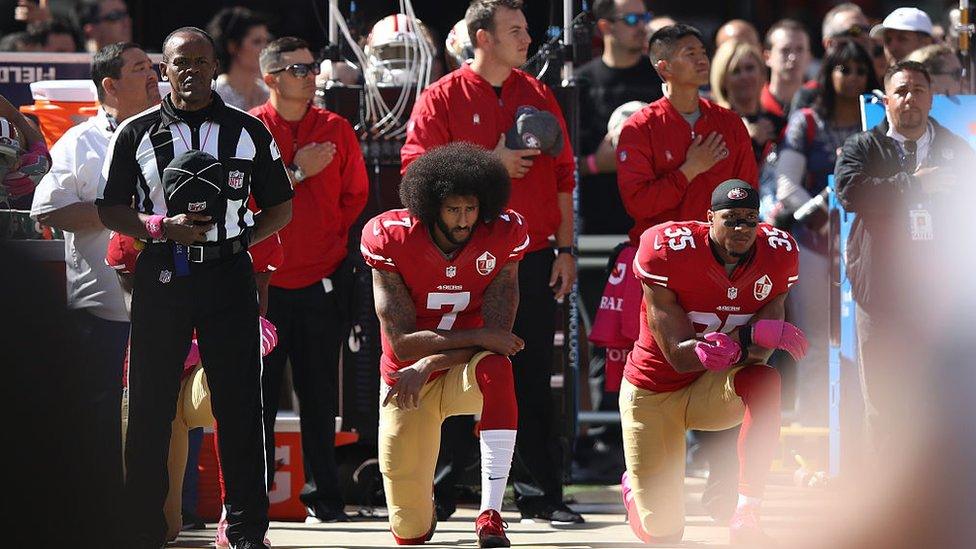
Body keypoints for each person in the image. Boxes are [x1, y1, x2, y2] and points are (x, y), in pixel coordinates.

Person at [96, 27, 293, 549]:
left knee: (240, 403)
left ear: (213, 66)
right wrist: (161, 228)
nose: (190, 71)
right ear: (166, 68)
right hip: (162, 271)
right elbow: (110, 208)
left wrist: (241, 238)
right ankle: (142, 525)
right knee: (149, 404)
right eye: (180, 62)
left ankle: (248, 527)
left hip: (227, 272)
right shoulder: (135, 132)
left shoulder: (249, 132)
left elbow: (281, 204)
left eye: (200, 61)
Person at [401, 0, 581, 524]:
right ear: (483, 38)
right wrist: (488, 163)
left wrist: (566, 249)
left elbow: (565, 177)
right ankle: (439, 494)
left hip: (531, 256)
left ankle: (541, 495)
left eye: (525, 30)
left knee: (528, 375)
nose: (528, 39)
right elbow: (415, 168)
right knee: (451, 368)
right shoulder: (442, 96)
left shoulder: (538, 92)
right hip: (460, 259)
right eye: (515, 31)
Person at [619, 179, 807, 545]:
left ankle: (748, 510)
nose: (741, 229)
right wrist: (750, 336)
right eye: (731, 219)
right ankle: (632, 492)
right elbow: (679, 357)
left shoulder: (778, 253)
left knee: (765, 380)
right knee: (663, 532)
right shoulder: (667, 250)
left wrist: (746, 342)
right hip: (655, 389)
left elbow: (758, 356)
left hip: (714, 386)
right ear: (709, 218)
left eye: (750, 220)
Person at [362, 142, 528, 547]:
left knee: (497, 367)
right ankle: (424, 510)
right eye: (453, 209)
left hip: (457, 370)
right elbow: (402, 346)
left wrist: (429, 363)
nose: (464, 219)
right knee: (409, 531)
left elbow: (499, 341)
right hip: (405, 382)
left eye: (471, 209)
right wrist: (472, 338)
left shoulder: (503, 232)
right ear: (430, 205)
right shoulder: (390, 236)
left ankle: (491, 514)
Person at [29, 41, 158, 547]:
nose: (154, 76)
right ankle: (102, 516)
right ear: (110, 84)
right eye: (140, 69)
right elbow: (47, 211)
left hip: (167, 308)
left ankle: (173, 512)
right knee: (101, 417)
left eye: (153, 67)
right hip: (101, 311)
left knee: (164, 415)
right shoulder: (79, 142)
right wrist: (122, 215)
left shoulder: (175, 134)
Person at [251, 36, 369, 523]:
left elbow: (354, 198)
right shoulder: (251, 128)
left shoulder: (336, 128)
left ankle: (325, 498)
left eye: (312, 67)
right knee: (255, 396)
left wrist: (327, 242)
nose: (311, 76)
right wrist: (298, 172)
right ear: (271, 77)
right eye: (298, 69)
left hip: (321, 284)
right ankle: (248, 500)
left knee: (319, 397)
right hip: (263, 288)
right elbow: (246, 203)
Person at [834, 61, 976, 461]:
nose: (909, 98)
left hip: (940, 295)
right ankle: (883, 499)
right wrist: (914, 184)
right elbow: (851, 193)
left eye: (917, 90)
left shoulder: (956, 149)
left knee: (942, 396)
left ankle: (943, 498)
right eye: (901, 91)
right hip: (878, 290)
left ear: (931, 98)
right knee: (881, 398)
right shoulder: (863, 146)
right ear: (886, 101)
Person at [771, 41, 879, 425]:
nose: (851, 79)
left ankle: (861, 431)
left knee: (866, 342)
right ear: (828, 73)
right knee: (817, 341)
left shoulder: (878, 121)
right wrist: (825, 216)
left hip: (869, 247)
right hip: (815, 245)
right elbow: (786, 185)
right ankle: (816, 432)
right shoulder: (807, 121)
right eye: (843, 69)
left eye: (860, 70)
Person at [617, 24, 758, 247]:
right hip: (660, 256)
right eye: (690, 54)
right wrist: (689, 171)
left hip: (720, 257)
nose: (702, 59)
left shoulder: (730, 123)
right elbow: (638, 204)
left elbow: (748, 197)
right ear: (664, 68)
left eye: (702, 52)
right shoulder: (640, 127)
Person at [575, 0, 662, 235]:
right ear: (605, 27)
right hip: (595, 222)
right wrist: (596, 164)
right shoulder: (579, 84)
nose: (643, 27)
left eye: (645, 18)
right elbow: (561, 167)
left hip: (651, 220)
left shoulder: (662, 80)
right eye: (632, 20)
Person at [710, 39, 785, 165]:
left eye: (750, 68)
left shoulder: (777, 124)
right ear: (722, 80)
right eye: (736, 71)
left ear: (762, 75)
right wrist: (749, 140)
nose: (744, 76)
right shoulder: (715, 125)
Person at [208, 7, 272, 111]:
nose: (265, 49)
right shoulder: (214, 93)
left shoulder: (269, 93)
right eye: (257, 42)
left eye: (266, 41)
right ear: (232, 46)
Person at [761, 19, 811, 119]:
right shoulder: (754, 105)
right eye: (785, 50)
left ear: (808, 57)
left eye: (800, 49)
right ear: (767, 57)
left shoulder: (820, 107)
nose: (793, 57)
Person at [870, 7, 934, 66]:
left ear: (926, 43)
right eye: (888, 40)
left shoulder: (942, 77)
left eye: (902, 39)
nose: (892, 48)